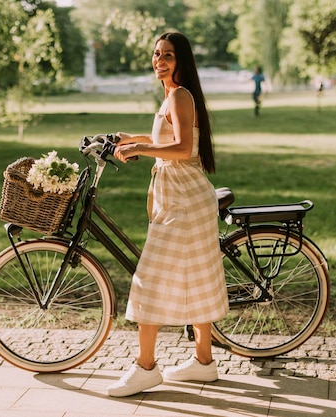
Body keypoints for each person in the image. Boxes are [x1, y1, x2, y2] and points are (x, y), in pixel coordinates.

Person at [107, 32, 228, 398]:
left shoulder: (180, 94)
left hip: (184, 202)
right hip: (179, 198)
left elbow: (182, 146)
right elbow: (171, 134)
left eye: (168, 56)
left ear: (182, 60)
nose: (160, 60)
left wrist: (142, 147)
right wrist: (130, 137)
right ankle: (204, 362)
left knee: (149, 278)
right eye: (157, 54)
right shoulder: (173, 95)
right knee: (198, 274)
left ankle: (146, 368)